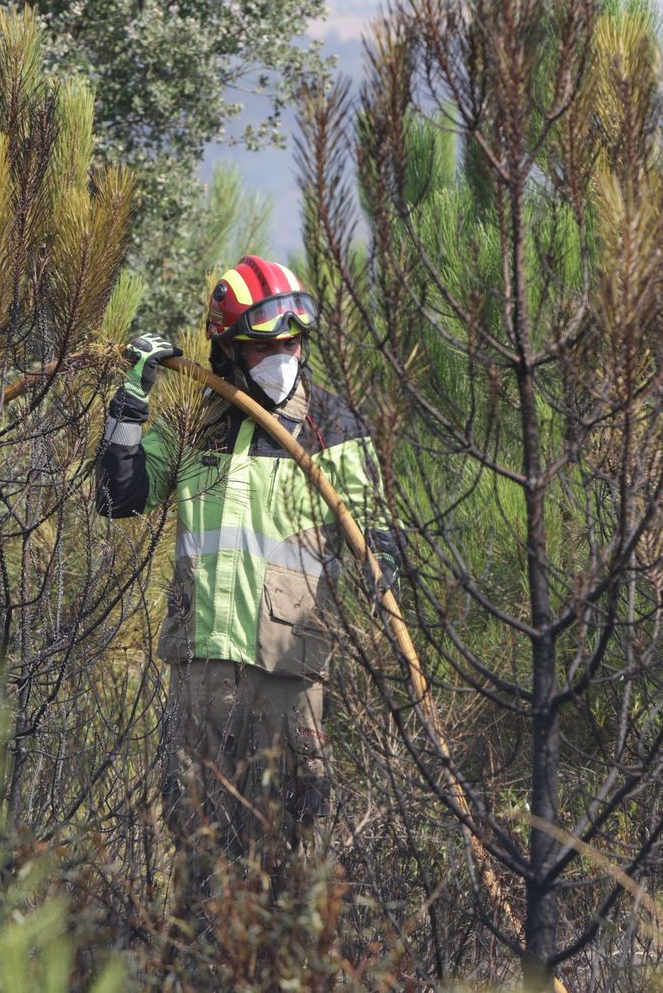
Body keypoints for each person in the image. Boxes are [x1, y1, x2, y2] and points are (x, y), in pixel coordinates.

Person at [94, 255, 397, 908]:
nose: (282, 357)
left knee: (295, 843)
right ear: (229, 349)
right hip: (202, 677)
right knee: (200, 841)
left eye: (292, 344)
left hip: (286, 680)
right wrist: (132, 400)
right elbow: (118, 495)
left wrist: (382, 558)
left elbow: (373, 530)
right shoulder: (195, 424)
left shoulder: (331, 429)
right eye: (266, 346)